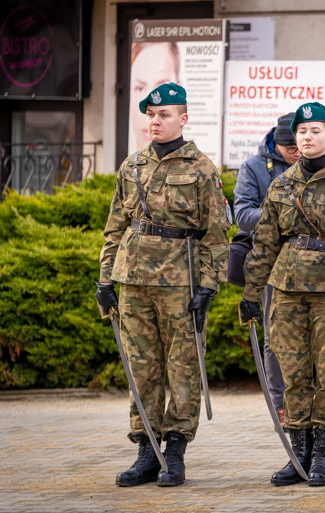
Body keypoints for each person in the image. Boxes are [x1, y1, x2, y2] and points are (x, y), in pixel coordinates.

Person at [96, 82, 231, 487]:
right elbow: (115, 227)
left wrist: (208, 286)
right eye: (151, 115)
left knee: (183, 368)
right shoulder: (131, 166)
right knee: (142, 369)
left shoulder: (202, 169)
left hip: (180, 282)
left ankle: (174, 452)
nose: (155, 121)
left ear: (183, 119)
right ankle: (146, 452)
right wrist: (105, 276)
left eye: (164, 115)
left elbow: (216, 235)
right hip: (133, 280)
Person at [239, 102, 325, 487]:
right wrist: (251, 292)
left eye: (315, 131)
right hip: (285, 291)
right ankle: (298, 453)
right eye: (301, 132)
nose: (307, 138)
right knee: (295, 375)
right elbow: (264, 242)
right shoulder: (281, 184)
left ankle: (322, 458)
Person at [233, 113, 301, 427]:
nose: (297, 151)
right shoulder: (254, 167)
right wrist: (280, 214)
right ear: (277, 142)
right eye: (290, 147)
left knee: (323, 337)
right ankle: (281, 406)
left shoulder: (317, 164)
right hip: (272, 260)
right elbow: (243, 215)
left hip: (314, 264)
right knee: (275, 338)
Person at [129, 42, 180, 153]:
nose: (152, 102)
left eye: (161, 87)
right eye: (140, 89)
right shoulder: (127, 167)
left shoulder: (196, 165)